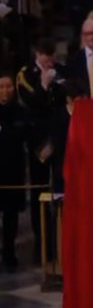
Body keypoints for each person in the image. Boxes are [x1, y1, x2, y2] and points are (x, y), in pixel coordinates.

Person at [0, 75, 30, 272]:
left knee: (11, 215)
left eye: (8, 86)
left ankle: (9, 252)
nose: (5, 90)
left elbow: (23, 134)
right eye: (1, 86)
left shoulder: (21, 111)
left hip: (13, 170)